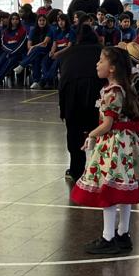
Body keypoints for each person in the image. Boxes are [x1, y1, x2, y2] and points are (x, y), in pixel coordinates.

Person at [71, 45, 139, 255]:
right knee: (124, 189)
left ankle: (108, 237)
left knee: (108, 190)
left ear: (112, 68)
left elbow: (108, 124)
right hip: (126, 144)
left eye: (101, 61)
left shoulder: (113, 92)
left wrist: (91, 135)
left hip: (114, 145)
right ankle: (123, 233)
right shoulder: (123, 87)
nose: (97, 64)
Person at [59, 24, 105, 181]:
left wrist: (63, 109)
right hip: (97, 96)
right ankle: (101, 168)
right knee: (100, 132)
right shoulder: (102, 51)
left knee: (74, 134)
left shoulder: (69, 53)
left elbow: (63, 82)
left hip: (73, 99)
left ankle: (76, 170)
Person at [0, 12, 28, 86]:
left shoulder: (23, 31)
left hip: (18, 53)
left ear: (19, 20)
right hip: (7, 52)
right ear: (10, 20)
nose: (15, 21)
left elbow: (21, 45)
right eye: (13, 19)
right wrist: (9, 52)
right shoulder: (6, 31)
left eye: (16, 19)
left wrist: (12, 52)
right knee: (1, 60)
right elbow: (3, 44)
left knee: (10, 61)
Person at [20, 13, 52, 87]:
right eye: (40, 20)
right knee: (36, 58)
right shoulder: (33, 30)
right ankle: (36, 81)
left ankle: (22, 64)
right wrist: (32, 48)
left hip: (47, 51)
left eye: (43, 20)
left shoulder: (49, 29)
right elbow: (29, 45)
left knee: (37, 49)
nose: (42, 22)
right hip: (36, 53)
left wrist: (33, 47)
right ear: (37, 21)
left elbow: (44, 43)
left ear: (46, 21)